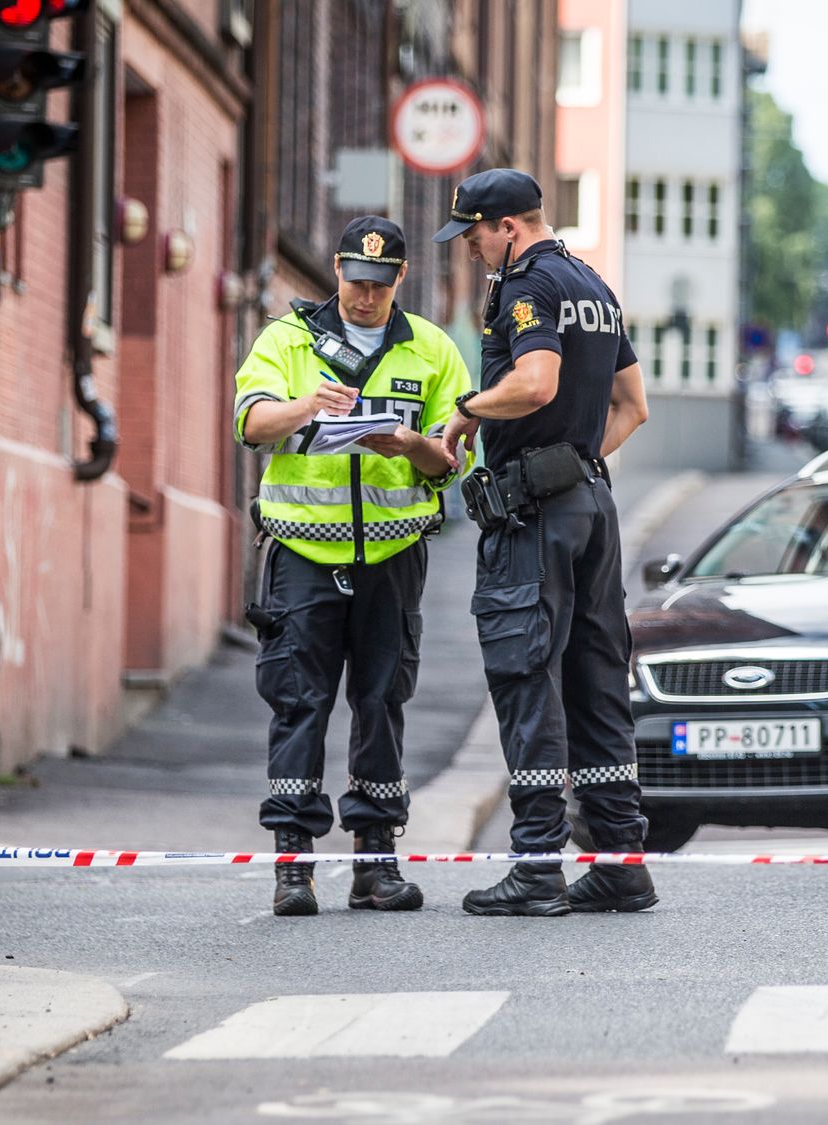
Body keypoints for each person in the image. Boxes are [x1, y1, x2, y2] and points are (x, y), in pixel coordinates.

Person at [432, 169, 655, 916]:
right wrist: (583, 459)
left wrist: (466, 410)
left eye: (473, 235)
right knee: (595, 681)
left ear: (508, 227)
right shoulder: (594, 285)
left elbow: (535, 383)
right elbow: (635, 406)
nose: (470, 250)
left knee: (526, 671)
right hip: (591, 506)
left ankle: (535, 866)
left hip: (536, 512)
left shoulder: (526, 285)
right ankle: (621, 861)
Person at [233, 216, 469, 916]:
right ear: (335, 274)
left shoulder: (431, 349)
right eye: (353, 282)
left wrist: (410, 446)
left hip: (392, 558)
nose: (364, 297)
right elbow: (250, 422)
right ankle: (293, 868)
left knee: (381, 702)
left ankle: (376, 863)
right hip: (302, 554)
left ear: (400, 279)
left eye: (377, 284)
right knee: (298, 704)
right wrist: (306, 406)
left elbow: (453, 458)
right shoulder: (288, 338)